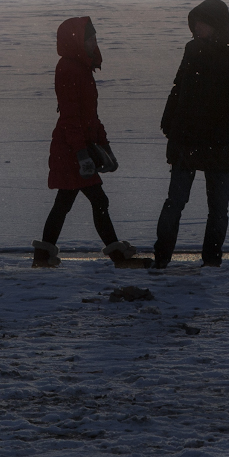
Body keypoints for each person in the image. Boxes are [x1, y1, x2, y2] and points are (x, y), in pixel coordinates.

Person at [33, 16, 147, 269]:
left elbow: (91, 117)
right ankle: (118, 258)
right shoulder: (69, 69)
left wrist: (104, 146)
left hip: (77, 147)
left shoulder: (82, 68)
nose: (95, 42)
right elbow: (71, 117)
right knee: (96, 201)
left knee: (66, 202)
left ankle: (42, 257)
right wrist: (82, 154)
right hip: (72, 149)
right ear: (76, 41)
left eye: (95, 37)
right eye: (90, 38)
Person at [153, 0, 229, 268]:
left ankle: (211, 261)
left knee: (218, 209)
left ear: (217, 24)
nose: (196, 27)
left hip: (218, 144)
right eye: (195, 22)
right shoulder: (193, 51)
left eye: (203, 22)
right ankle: (161, 257)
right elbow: (178, 89)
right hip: (186, 140)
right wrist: (169, 123)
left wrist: (223, 132)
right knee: (175, 202)